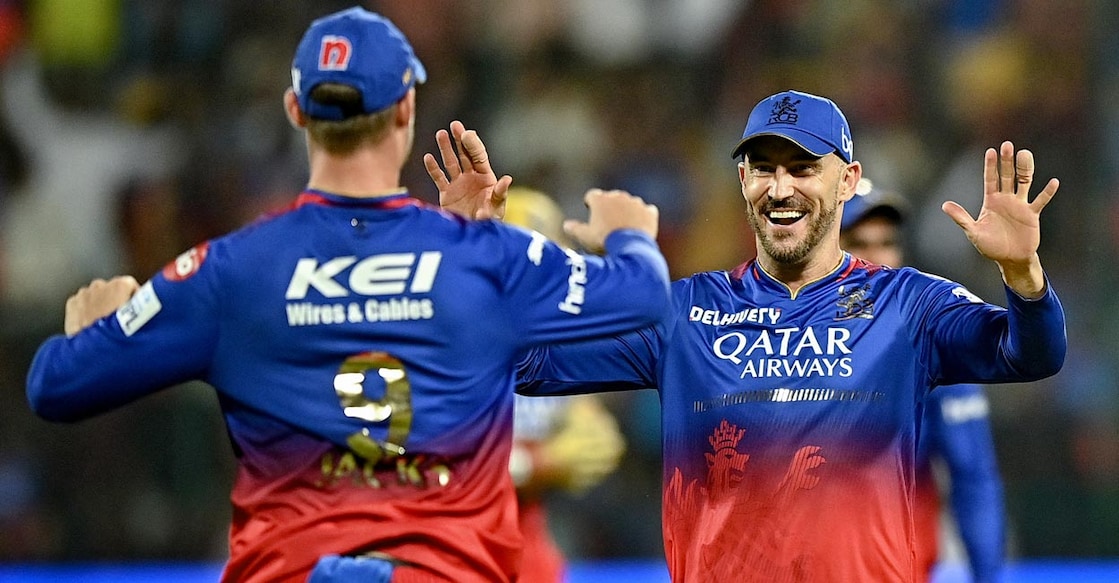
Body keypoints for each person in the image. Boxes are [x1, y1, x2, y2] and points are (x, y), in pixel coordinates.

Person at [24, 7, 672, 583]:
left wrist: (91, 332)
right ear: (406, 109)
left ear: (295, 111)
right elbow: (644, 297)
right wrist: (629, 233)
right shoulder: (485, 255)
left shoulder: (227, 269)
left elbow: (54, 386)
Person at [434, 89, 1066, 582]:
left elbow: (1031, 353)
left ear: (847, 180)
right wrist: (468, 270)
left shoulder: (908, 304)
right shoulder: (679, 313)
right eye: (762, 167)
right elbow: (524, 366)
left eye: (803, 167)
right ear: (742, 181)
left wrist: (1023, 274)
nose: (780, 187)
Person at [841, 180, 1006, 583]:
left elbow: (973, 477)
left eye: (886, 242)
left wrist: (988, 577)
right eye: (858, 242)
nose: (875, 257)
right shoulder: (776, 336)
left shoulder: (930, 343)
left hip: (893, 571)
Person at [502, 186, 628, 583]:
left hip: (527, 547)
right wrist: (537, 463)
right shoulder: (439, 339)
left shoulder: (555, 343)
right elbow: (420, 466)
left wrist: (589, 432)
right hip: (445, 550)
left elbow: (590, 429)